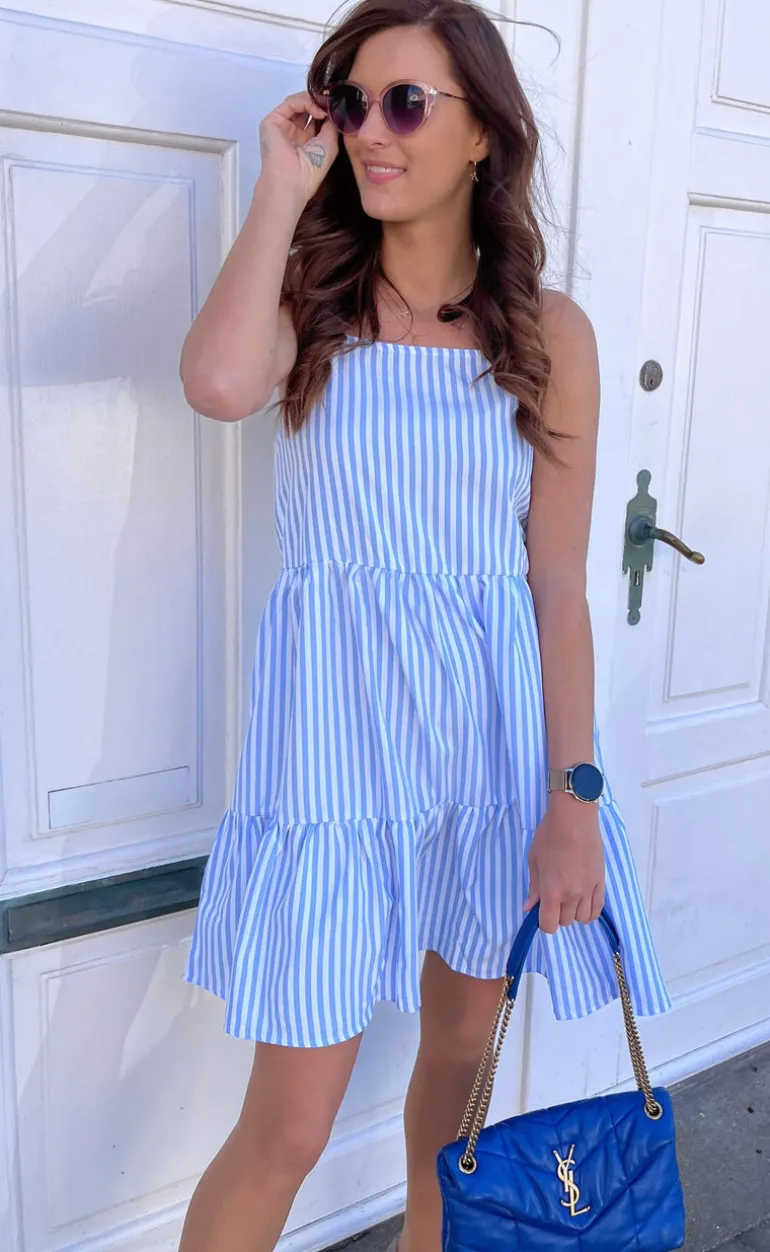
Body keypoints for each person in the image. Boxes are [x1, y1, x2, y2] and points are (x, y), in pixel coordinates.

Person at [177, 1, 672, 1249]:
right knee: (288, 1128)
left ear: (482, 135)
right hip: (331, 765)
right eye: (350, 102)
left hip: (486, 761)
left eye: (406, 103)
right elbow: (219, 383)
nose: (370, 131)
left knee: (454, 1097)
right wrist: (279, 185)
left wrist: (572, 798)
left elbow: (555, 586)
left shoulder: (547, 334)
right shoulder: (311, 301)